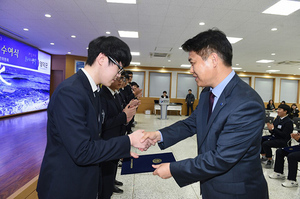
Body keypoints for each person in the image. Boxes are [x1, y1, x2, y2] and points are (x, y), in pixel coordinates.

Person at [141, 29, 268, 198]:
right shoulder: (208, 92)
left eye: (193, 62)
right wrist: (158, 135)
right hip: (211, 187)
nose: (191, 70)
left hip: (236, 193)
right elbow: (192, 123)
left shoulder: (246, 104)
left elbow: (221, 159)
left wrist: (173, 169)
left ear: (213, 59)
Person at [36, 36, 151, 199]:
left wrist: (122, 148)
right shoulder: (70, 92)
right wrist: (129, 141)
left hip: (84, 183)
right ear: (102, 59)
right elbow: (82, 150)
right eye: (119, 68)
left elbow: (97, 136)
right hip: (65, 187)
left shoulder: (93, 91)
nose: (119, 75)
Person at [99, 77, 139, 198]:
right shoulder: (102, 96)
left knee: (112, 170)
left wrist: (127, 113)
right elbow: (103, 124)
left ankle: (111, 185)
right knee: (105, 180)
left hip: (117, 138)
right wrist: (124, 116)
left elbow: (121, 113)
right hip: (107, 141)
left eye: (122, 78)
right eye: (118, 78)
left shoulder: (116, 95)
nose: (121, 81)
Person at [261, 104, 293, 168]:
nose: (278, 111)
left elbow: (284, 135)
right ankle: (264, 156)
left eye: (280, 109)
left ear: (285, 111)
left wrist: (273, 129)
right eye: (278, 109)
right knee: (261, 139)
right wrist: (271, 129)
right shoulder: (277, 118)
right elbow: (273, 129)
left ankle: (270, 159)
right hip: (275, 137)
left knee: (266, 144)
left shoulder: (288, 122)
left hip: (283, 140)